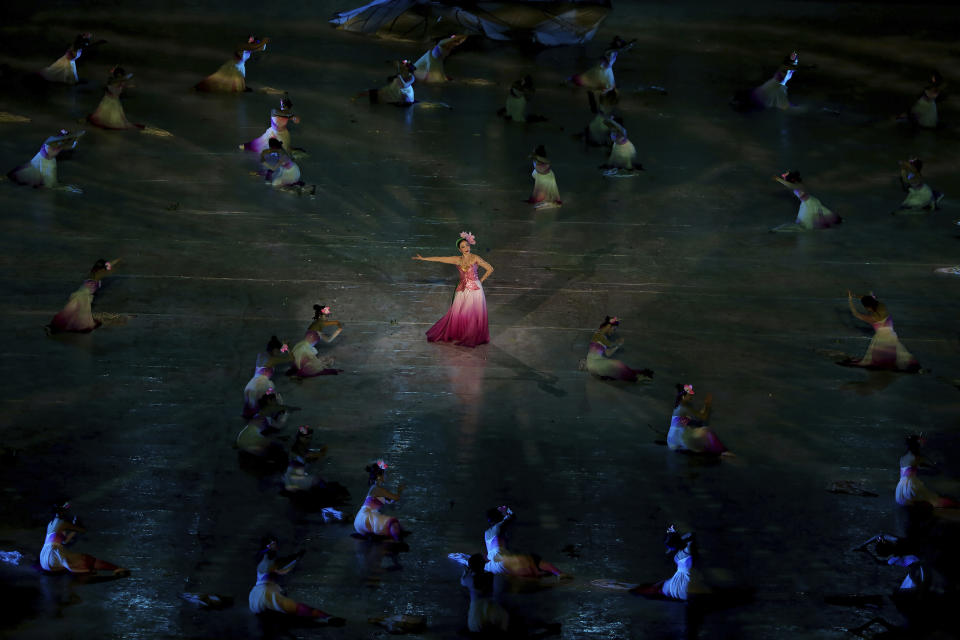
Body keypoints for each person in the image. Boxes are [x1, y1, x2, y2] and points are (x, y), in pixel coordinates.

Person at [413, 231, 492, 348]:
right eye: (463, 247)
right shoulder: (457, 260)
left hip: (475, 289)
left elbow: (490, 268)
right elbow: (440, 258)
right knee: (459, 313)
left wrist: (481, 280)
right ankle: (463, 333)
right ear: (460, 250)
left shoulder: (475, 258)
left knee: (472, 312)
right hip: (462, 289)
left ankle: (471, 335)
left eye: (467, 245)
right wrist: (424, 258)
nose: (466, 248)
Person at [248, 536, 344, 624]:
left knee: (284, 609)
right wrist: (297, 558)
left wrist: (297, 557)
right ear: (268, 546)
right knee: (298, 608)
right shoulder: (269, 561)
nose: (276, 546)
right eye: (274, 544)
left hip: (254, 598)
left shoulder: (264, 561)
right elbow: (284, 569)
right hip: (265, 595)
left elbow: (284, 563)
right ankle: (327, 617)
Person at [40, 503, 129, 576]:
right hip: (54, 554)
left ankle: (82, 570)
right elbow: (82, 530)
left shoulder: (50, 524)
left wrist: (73, 529)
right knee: (87, 559)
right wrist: (76, 525)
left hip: (44, 559)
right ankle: (116, 568)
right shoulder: (62, 523)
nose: (67, 511)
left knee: (75, 562)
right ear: (62, 511)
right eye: (66, 508)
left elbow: (64, 541)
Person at [840, 292, 920, 372]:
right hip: (892, 336)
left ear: (867, 307)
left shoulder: (873, 318)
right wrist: (856, 295)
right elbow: (868, 298)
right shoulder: (882, 306)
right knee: (895, 358)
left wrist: (850, 300)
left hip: (881, 340)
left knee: (879, 361)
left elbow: (856, 314)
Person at [483, 506, 566, 578]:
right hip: (503, 563)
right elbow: (512, 516)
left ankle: (535, 573)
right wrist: (505, 509)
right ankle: (559, 574)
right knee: (534, 559)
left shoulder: (486, 532)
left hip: (493, 566)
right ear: (498, 516)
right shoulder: (499, 526)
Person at [631, 526, 708, 601]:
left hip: (680, 583)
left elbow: (690, 535)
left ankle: (650, 591)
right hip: (683, 580)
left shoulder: (680, 554)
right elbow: (690, 534)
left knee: (662, 585)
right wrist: (674, 534)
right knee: (662, 584)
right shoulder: (688, 547)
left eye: (669, 546)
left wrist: (673, 536)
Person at [48, 259, 120, 333]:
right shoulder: (99, 275)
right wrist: (116, 262)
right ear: (101, 269)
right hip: (83, 296)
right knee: (77, 315)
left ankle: (54, 328)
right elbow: (108, 268)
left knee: (69, 313)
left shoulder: (93, 273)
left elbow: (108, 266)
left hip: (80, 294)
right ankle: (58, 328)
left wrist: (116, 261)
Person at [7, 129, 85, 191]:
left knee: (50, 184)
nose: (64, 141)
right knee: (43, 182)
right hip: (41, 160)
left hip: (49, 162)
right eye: (63, 139)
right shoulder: (50, 143)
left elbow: (71, 147)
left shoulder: (60, 145)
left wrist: (77, 139)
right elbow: (51, 151)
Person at [583, 316, 654, 383]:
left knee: (618, 365)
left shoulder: (603, 336)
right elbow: (610, 344)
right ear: (608, 326)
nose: (613, 331)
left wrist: (618, 345)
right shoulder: (598, 335)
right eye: (614, 329)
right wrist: (618, 343)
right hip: (594, 363)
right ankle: (636, 378)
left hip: (597, 362)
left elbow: (608, 353)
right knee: (617, 365)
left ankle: (638, 374)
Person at [895, 435, 958, 508]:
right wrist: (936, 467)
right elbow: (930, 468)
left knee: (916, 502)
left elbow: (914, 467)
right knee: (933, 500)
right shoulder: (917, 457)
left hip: (901, 486)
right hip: (911, 485)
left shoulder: (902, 458)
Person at [667, 384, 729, 455]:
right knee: (707, 432)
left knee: (698, 428)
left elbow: (699, 417)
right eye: (689, 395)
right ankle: (723, 452)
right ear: (683, 396)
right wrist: (707, 405)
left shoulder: (679, 406)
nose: (691, 396)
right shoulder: (685, 406)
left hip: (672, 440)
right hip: (679, 439)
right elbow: (703, 417)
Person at [242, 336, 293, 421]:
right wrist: (288, 348)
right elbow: (291, 358)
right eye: (277, 350)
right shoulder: (273, 360)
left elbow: (278, 353)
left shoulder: (262, 355)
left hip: (252, 383)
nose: (279, 351)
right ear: (274, 350)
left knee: (253, 403)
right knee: (274, 398)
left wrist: (284, 347)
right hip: (262, 384)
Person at [771, 171, 841, 231]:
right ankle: (825, 227)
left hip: (809, 203)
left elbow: (789, 185)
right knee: (814, 219)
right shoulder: (797, 185)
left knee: (808, 222)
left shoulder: (797, 185)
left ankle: (826, 227)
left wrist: (778, 179)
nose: (785, 179)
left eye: (786, 178)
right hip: (807, 202)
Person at [195, 36, 269, 92]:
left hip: (240, 65)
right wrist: (263, 41)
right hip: (234, 65)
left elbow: (258, 48)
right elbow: (255, 47)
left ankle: (239, 88)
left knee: (240, 78)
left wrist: (261, 46)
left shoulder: (250, 49)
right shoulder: (243, 46)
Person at [353, 460, 404, 540]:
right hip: (366, 518)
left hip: (362, 520)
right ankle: (396, 544)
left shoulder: (376, 488)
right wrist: (399, 490)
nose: (386, 476)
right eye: (384, 474)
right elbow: (396, 497)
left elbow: (390, 501)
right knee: (393, 524)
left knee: (388, 525)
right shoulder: (377, 489)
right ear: (379, 476)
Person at [461, 553, 509, 633]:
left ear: (470, 566)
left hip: (476, 616)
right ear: (483, 564)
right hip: (494, 611)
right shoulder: (492, 576)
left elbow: (463, 582)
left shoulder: (468, 579)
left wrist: (466, 572)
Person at [289, 305, 342, 377]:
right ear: (320, 316)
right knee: (311, 369)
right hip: (304, 349)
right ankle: (297, 376)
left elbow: (328, 340)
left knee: (310, 368)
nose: (326, 318)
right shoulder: (319, 323)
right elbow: (335, 322)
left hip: (306, 348)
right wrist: (338, 324)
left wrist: (338, 331)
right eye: (325, 316)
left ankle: (297, 375)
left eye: (327, 316)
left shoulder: (318, 331)